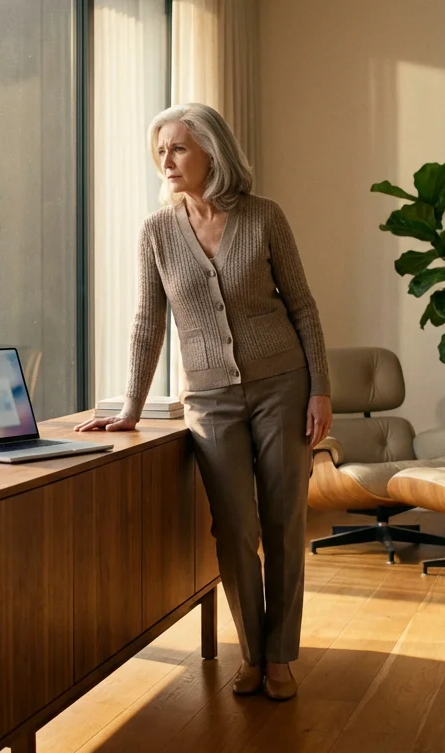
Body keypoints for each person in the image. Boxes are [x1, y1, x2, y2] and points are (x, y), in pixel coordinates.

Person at [76, 103, 331, 701]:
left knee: (284, 522)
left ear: (212, 153)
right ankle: (251, 650)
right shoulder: (157, 233)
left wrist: (320, 388)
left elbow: (302, 306)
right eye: (160, 150)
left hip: (283, 386)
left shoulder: (265, 217)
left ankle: (280, 657)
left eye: (179, 148)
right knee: (234, 527)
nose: (166, 160)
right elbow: (148, 322)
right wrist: (131, 408)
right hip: (210, 398)